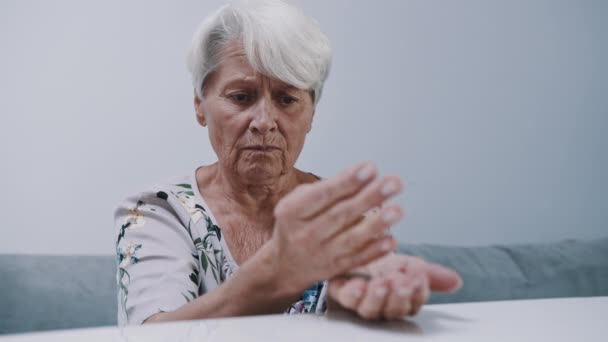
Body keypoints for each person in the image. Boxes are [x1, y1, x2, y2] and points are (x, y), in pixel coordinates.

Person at [114, 0, 462, 326]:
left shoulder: (346, 217)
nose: (264, 121)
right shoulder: (158, 211)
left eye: (287, 98)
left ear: (311, 114)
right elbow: (153, 334)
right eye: (241, 97)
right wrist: (276, 277)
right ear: (199, 106)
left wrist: (356, 304)